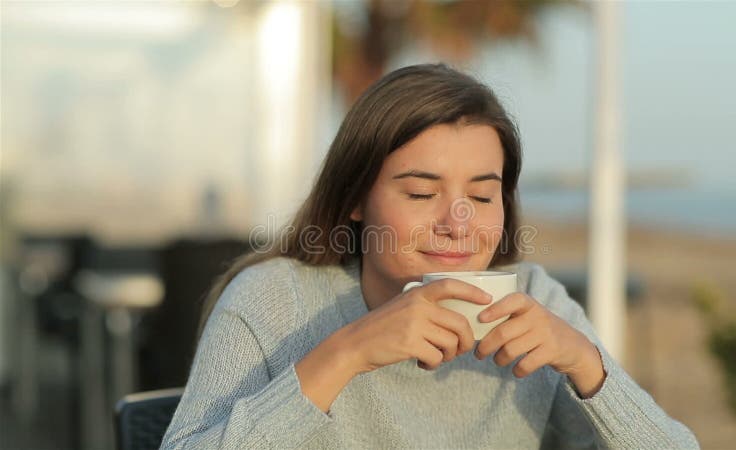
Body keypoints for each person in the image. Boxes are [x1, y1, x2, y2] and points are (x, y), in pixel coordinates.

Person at [161, 64, 699, 449]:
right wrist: (346, 353)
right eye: (421, 194)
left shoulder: (538, 302)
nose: (456, 221)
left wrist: (589, 366)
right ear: (354, 199)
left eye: (482, 196)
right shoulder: (275, 300)